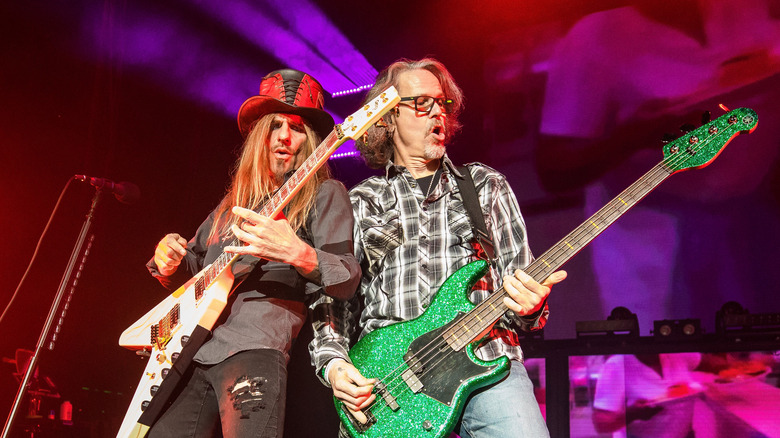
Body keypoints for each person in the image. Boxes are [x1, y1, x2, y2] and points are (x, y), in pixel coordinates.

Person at [309, 58, 567, 438]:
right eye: (421, 103)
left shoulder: (486, 186)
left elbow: (524, 305)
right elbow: (331, 298)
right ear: (387, 117)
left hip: (488, 362)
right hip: (389, 382)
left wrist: (531, 306)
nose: (437, 113)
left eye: (443, 104)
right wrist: (334, 365)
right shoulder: (362, 201)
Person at [146, 69, 361, 437]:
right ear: (260, 136)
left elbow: (346, 276)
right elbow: (196, 268)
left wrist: (298, 252)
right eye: (275, 125)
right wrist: (168, 258)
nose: (283, 136)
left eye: (295, 128)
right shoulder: (231, 207)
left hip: (256, 349)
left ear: (308, 141)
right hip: (194, 349)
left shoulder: (326, 194)